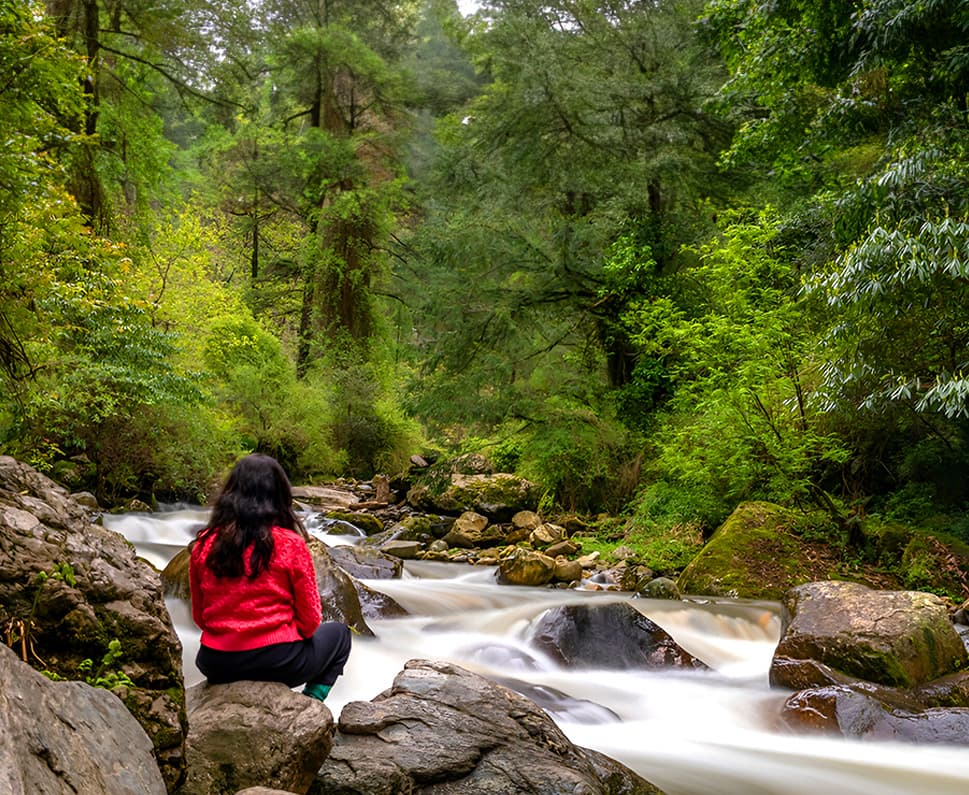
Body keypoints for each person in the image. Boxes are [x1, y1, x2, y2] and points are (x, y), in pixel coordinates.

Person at [188, 453, 351, 702]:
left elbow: (200, 616)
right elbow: (310, 620)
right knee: (341, 635)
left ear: (229, 494)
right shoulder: (290, 544)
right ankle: (312, 702)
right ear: (279, 496)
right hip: (278, 661)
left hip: (216, 662)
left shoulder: (204, 544)